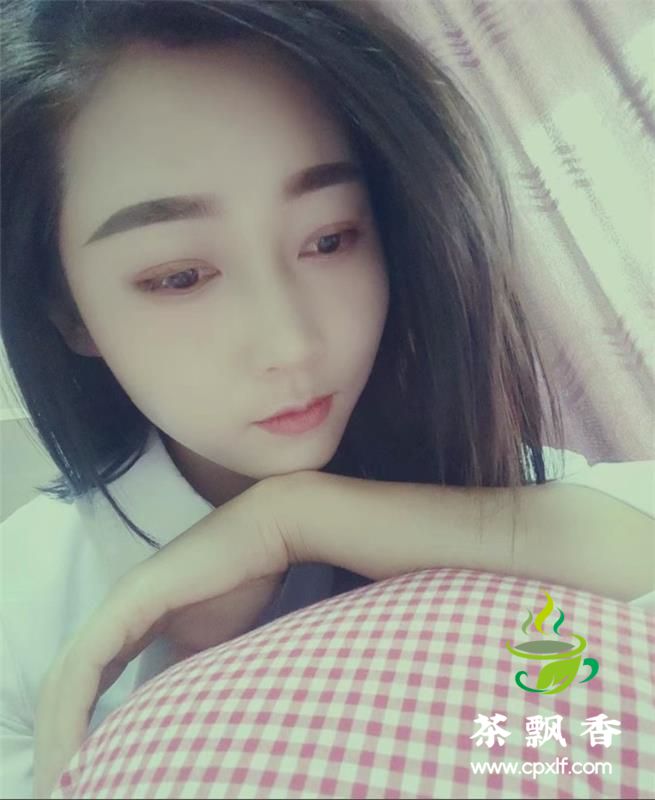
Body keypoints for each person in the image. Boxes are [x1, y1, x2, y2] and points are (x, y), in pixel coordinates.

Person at [1, 1, 652, 797]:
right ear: (66, 310)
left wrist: (295, 518)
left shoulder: (461, 469)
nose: (291, 343)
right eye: (179, 276)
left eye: (330, 238)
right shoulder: (23, 604)